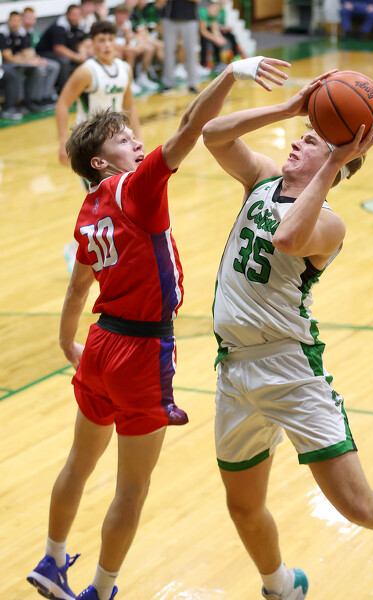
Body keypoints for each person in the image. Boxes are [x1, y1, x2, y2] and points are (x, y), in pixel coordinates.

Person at [26, 55, 290, 600]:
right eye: (125, 140)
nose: (138, 144)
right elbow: (192, 125)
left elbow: (77, 289)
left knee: (78, 463)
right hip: (140, 350)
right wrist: (231, 73)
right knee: (133, 487)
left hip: (100, 344)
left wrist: (67, 341)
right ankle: (102, 589)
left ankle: (51, 558)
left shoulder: (89, 211)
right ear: (101, 162)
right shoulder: (136, 187)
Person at [202, 59, 373, 599]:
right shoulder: (260, 179)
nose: (296, 141)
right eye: (301, 134)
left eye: (310, 139)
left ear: (333, 159)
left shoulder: (329, 222)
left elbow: (287, 238)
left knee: (356, 506)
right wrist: (287, 106)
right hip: (233, 369)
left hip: (289, 370)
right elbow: (212, 135)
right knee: (243, 505)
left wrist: (334, 159)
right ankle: (280, 586)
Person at [56, 19, 143, 273]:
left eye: (110, 39)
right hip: (89, 148)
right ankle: (77, 250)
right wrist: (62, 141)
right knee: (101, 201)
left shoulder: (124, 68)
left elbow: (129, 105)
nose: (106, 45)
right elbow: (62, 104)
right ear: (92, 44)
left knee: (116, 200)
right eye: (101, 40)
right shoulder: (86, 72)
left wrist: (137, 138)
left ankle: (100, 248)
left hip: (116, 147)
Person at [36, 5, 90, 93]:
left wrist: (82, 54)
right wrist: (76, 57)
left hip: (65, 51)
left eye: (78, 15)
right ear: (67, 15)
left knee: (88, 57)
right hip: (45, 52)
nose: (76, 17)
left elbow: (84, 41)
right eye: (74, 15)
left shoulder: (80, 25)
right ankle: (64, 90)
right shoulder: (59, 26)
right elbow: (58, 48)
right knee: (64, 61)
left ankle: (84, 88)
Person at [161, 0, 200, 94]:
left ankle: (192, 84)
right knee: (168, 52)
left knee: (191, 52)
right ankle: (168, 83)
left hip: (190, 19)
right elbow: (160, 3)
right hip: (170, 19)